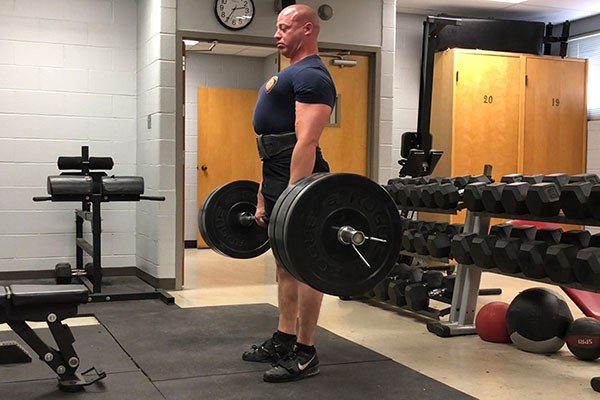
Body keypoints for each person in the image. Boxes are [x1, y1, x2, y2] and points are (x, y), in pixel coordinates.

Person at [242, 4, 336, 383]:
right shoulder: (291, 73)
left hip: (303, 182)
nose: (277, 35)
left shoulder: (313, 75)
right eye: (277, 28)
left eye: (284, 28)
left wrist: (295, 197)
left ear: (307, 29)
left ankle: (305, 350)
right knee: (285, 265)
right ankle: (284, 337)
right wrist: (266, 194)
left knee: (307, 268)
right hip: (279, 175)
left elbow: (307, 140)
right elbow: (273, 148)